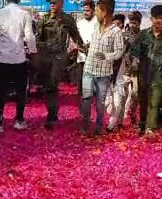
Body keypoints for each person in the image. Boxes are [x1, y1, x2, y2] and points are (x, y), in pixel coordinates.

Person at [0, 0, 37, 133]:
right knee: (21, 91)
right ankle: (19, 120)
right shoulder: (24, 14)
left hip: (1, 58)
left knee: (1, 91)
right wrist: (33, 52)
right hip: (18, 59)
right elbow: (29, 37)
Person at [36, 0, 83, 130]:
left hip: (58, 58)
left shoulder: (68, 19)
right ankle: (52, 113)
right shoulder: (44, 18)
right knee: (48, 88)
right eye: (50, 3)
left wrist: (84, 48)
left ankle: (51, 116)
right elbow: (38, 38)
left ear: (61, 3)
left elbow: (77, 37)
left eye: (54, 2)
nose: (52, 5)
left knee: (52, 85)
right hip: (45, 58)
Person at [130, 5, 162, 136]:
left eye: (161, 18)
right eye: (156, 18)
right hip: (143, 74)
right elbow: (134, 51)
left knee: (155, 102)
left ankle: (150, 128)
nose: (159, 21)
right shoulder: (143, 35)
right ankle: (143, 125)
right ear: (151, 19)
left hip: (160, 75)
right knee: (143, 101)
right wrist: (135, 61)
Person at [80, 0, 124, 136]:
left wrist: (106, 55)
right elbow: (90, 45)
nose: (95, 13)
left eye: (98, 11)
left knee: (100, 103)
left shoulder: (116, 31)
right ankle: (85, 126)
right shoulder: (94, 26)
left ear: (104, 13)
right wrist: (82, 48)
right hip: (88, 69)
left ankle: (99, 128)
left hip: (103, 74)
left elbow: (119, 52)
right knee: (86, 99)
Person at [108, 11, 141, 130]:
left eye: (135, 23)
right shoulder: (123, 35)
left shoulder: (143, 36)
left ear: (139, 23)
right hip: (125, 70)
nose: (133, 25)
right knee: (122, 96)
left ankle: (132, 115)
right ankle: (119, 121)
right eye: (131, 22)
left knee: (136, 94)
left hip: (138, 71)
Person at [76, 1, 98, 98]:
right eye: (84, 10)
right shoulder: (80, 23)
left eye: (88, 10)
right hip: (82, 58)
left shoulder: (98, 23)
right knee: (81, 82)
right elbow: (75, 38)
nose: (85, 12)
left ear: (93, 10)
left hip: (95, 58)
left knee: (95, 85)